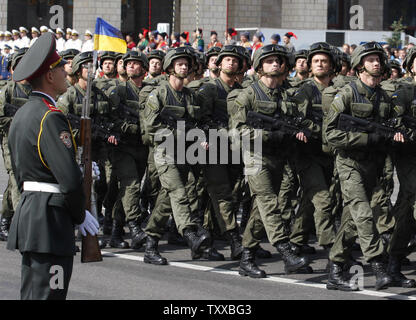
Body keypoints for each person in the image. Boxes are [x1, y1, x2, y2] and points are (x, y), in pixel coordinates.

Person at [6, 32, 99, 300]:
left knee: (35, 295)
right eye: (61, 68)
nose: (65, 72)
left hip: (32, 214)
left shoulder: (23, 113)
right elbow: (68, 180)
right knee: (50, 295)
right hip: (51, 221)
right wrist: (81, 215)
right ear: (49, 76)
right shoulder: (51, 117)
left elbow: (27, 168)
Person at [324, 42, 405, 291]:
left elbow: (393, 125)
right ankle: (378, 264)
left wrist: (396, 134)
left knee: (350, 221)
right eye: (370, 59)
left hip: (373, 166)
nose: (376, 63)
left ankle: (336, 269)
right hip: (349, 164)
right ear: (360, 65)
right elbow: (329, 135)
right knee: (362, 213)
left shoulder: (383, 97)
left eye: (378, 59)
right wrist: (365, 138)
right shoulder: (347, 94)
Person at [229, 44, 311, 278]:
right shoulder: (248, 95)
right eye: (269, 60)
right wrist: (267, 135)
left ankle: (246, 258)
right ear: (259, 66)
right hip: (255, 158)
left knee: (259, 211)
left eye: (278, 60)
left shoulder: (285, 95)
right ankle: (285, 251)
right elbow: (235, 135)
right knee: (268, 203)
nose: (275, 63)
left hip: (278, 158)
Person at [142, 46, 212, 264]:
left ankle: (150, 244)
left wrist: (201, 137)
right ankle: (190, 234)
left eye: (186, 64)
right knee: (179, 193)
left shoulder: (190, 96)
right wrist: (182, 134)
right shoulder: (158, 94)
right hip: (164, 154)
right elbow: (152, 128)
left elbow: (197, 123)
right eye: (179, 63)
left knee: (165, 202)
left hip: (185, 153)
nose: (184, 67)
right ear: (170, 67)